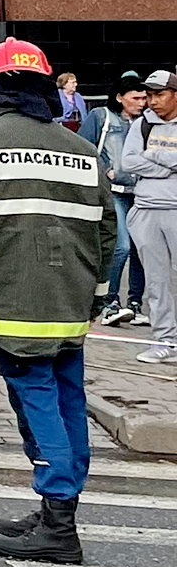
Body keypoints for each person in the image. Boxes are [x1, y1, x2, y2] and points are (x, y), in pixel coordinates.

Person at [0, 40, 115, 563]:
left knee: (36, 401)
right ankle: (60, 509)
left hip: (13, 298)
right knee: (67, 400)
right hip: (71, 300)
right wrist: (97, 295)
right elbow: (109, 232)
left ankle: (58, 522)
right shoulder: (81, 149)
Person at [80, 74, 149, 326]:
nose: (142, 102)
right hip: (112, 191)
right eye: (136, 98)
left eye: (144, 98)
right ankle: (109, 302)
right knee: (121, 246)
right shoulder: (101, 116)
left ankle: (134, 303)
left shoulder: (146, 122)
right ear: (120, 98)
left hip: (140, 191)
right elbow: (83, 146)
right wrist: (105, 168)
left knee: (141, 250)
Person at [122, 70, 177, 364]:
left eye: (159, 94)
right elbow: (128, 161)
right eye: (149, 95)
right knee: (156, 281)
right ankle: (164, 340)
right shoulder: (142, 125)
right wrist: (169, 165)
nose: (152, 101)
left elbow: (140, 161)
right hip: (146, 209)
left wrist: (153, 157)